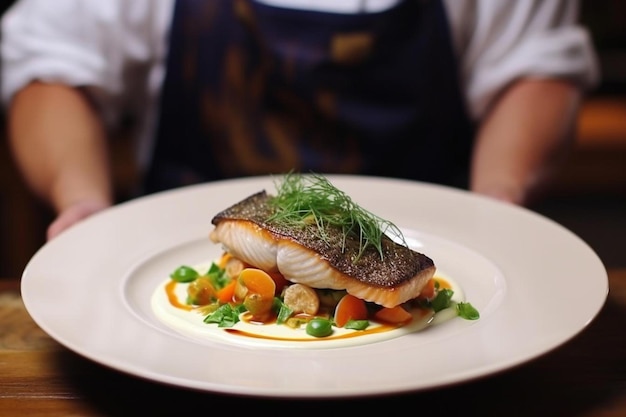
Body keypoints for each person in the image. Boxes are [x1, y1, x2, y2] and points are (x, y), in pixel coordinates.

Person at [1, 0, 598, 240]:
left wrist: (502, 195)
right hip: (182, 269)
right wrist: (79, 200)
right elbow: (48, 65)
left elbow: (533, 64)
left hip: (436, 256)